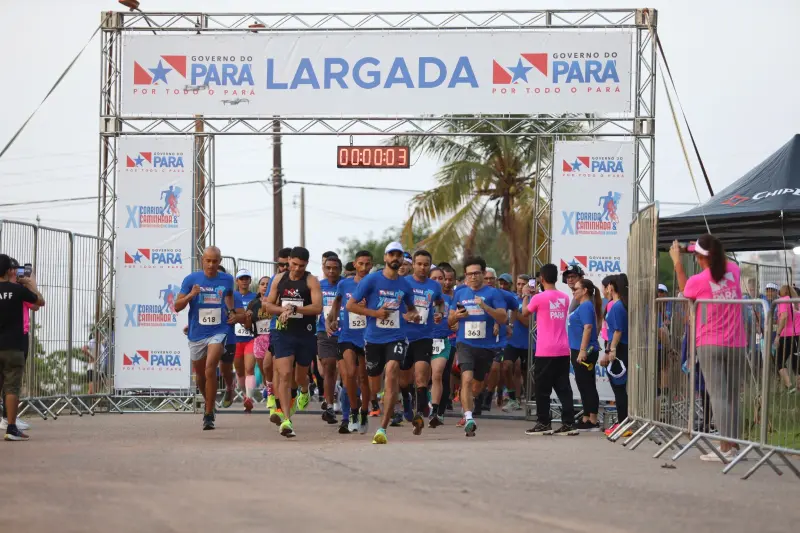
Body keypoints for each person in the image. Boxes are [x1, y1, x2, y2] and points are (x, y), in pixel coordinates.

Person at [670, 234, 746, 461]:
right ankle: (736, 446)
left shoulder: (698, 281)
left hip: (710, 342)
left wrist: (677, 260)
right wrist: (692, 248)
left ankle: (726, 450)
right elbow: (709, 252)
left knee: (719, 397)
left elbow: (685, 290)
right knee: (732, 397)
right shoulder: (734, 270)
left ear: (700, 258)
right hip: (737, 343)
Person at [346, 242, 420, 445]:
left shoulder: (405, 285)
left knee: (393, 371)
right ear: (386, 257)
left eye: (399, 255)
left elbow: (411, 308)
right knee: (374, 384)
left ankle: (383, 427)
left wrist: (413, 315)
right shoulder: (371, 280)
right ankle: (375, 401)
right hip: (373, 338)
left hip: (396, 337)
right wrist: (375, 313)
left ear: (402, 259)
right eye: (392, 254)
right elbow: (350, 305)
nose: (395, 258)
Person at [175, 247, 241, 430]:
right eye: (208, 261)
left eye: (215, 261)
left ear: (220, 261)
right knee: (201, 375)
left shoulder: (227, 279)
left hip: (219, 330)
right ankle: (209, 401)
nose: (211, 265)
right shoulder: (191, 280)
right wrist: (190, 295)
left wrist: (232, 311)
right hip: (197, 333)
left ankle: (208, 413)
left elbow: (228, 295)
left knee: (211, 368)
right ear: (202, 260)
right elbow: (176, 307)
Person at [262, 246, 323, 438]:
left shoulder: (311, 280)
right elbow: (268, 304)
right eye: (294, 264)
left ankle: (305, 390)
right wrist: (282, 310)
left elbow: (318, 307)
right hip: (283, 332)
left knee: (300, 377)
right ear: (289, 261)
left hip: (305, 333)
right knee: (285, 373)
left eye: (301, 266)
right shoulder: (279, 279)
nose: (297, 269)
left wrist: (295, 310)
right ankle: (286, 419)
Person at [448, 256, 507, 437]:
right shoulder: (460, 293)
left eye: (476, 273)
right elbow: (449, 321)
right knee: (466, 379)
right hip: (465, 343)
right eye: (469, 274)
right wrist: (457, 316)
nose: (473, 277)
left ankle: (469, 405)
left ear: (483, 274)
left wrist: (486, 307)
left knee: (476, 385)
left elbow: (503, 318)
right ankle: (468, 417)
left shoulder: (493, 293)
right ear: (465, 276)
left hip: (487, 346)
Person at [521, 263, 577, 436]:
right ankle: (569, 423)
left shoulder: (538, 298)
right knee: (563, 388)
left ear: (541, 279)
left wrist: (525, 296)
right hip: (562, 349)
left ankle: (544, 422)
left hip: (545, 350)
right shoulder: (565, 297)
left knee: (542, 389)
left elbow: (525, 312)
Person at [0, 255, 45, 441]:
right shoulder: (18, 290)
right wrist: (30, 284)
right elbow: (39, 302)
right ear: (10, 271)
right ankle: (11, 427)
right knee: (12, 387)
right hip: (13, 346)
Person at [328, 250, 373, 434]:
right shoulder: (344, 284)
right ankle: (352, 411)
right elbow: (337, 303)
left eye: (367, 264)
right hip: (347, 335)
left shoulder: (375, 284)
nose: (363, 267)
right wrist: (330, 320)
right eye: (360, 263)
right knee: (349, 375)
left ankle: (363, 412)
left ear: (371, 265)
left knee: (364, 378)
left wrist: (368, 307)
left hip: (368, 336)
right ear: (354, 264)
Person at [401, 250, 444, 435]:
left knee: (421, 376)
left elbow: (440, 303)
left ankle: (419, 415)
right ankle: (405, 398)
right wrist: (405, 315)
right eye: (419, 264)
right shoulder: (403, 282)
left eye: (426, 264)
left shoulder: (434, 286)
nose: (422, 267)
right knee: (403, 380)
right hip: (402, 336)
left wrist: (439, 313)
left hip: (424, 336)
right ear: (413, 264)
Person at [568, 278, 603, 431]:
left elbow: (588, 328)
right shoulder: (582, 306)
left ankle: (593, 420)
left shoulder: (586, 306)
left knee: (587, 385)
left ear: (585, 291)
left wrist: (582, 351)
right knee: (583, 384)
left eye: (576, 289)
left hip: (585, 351)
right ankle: (586, 417)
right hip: (578, 350)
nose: (573, 291)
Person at [262, 249, 291, 414]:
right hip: (277, 327)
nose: (285, 268)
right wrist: (279, 307)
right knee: (271, 365)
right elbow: (266, 303)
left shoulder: (303, 280)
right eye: (281, 265)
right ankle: (275, 399)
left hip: (299, 329)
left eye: (288, 264)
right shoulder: (275, 279)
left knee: (289, 373)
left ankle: (299, 391)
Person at [602, 274, 630, 436]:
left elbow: (618, 331)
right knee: (618, 388)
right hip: (619, 347)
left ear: (612, 287)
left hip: (619, 349)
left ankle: (623, 423)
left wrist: (611, 350)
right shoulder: (620, 305)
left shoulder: (618, 306)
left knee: (619, 388)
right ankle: (623, 422)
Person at [318, 255, 343, 424]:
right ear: (323, 269)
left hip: (346, 333)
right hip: (324, 332)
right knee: (328, 367)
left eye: (335, 268)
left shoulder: (346, 285)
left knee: (348, 371)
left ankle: (343, 398)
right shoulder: (318, 287)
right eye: (328, 268)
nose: (331, 271)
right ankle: (329, 405)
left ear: (340, 270)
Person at [428, 266, 453, 427]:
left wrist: (456, 321)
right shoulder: (422, 296)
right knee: (421, 378)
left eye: (440, 278)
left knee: (439, 375)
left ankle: (436, 411)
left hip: (443, 341)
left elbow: (458, 315)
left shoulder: (450, 298)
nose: (438, 281)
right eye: (434, 278)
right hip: (423, 340)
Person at [232, 269, 259, 412]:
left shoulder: (255, 297)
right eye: (241, 278)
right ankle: (244, 393)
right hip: (235, 339)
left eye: (247, 278)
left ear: (250, 280)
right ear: (237, 281)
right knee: (240, 371)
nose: (244, 281)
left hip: (250, 338)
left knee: (249, 368)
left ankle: (249, 398)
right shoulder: (232, 296)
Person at [503, 274, 531, 412]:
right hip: (512, 341)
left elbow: (528, 322)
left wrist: (515, 311)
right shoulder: (512, 298)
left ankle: (529, 400)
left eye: (523, 284)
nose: (520, 287)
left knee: (527, 373)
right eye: (518, 284)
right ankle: (513, 398)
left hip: (529, 343)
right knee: (506, 367)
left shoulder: (533, 300)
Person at [243, 276, 272, 407]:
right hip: (259, 339)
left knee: (270, 367)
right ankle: (269, 391)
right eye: (262, 284)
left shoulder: (276, 301)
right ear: (259, 287)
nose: (265, 286)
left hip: (274, 339)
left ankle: (275, 397)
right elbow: (248, 326)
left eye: (268, 284)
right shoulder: (253, 304)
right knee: (264, 370)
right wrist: (248, 318)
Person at [775, 284, 800, 392]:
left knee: (779, 361)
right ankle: (798, 388)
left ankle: (789, 386)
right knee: (796, 362)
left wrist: (777, 334)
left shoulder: (783, 300)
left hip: (786, 335)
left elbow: (784, 317)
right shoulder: (796, 301)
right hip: (796, 335)